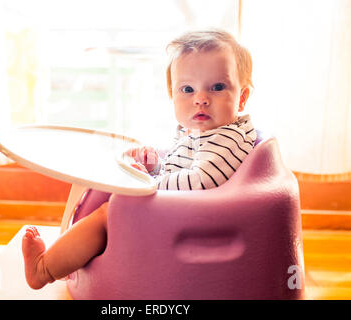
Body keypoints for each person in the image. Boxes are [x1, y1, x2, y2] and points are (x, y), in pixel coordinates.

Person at [22, 29, 256, 289]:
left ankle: (44, 269)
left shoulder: (226, 137)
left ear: (242, 98)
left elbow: (202, 181)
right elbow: (182, 167)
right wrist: (154, 166)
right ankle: (67, 258)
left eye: (217, 87)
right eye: (187, 89)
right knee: (108, 185)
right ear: (172, 95)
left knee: (109, 214)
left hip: (197, 223)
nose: (200, 99)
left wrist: (149, 182)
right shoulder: (201, 130)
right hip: (182, 210)